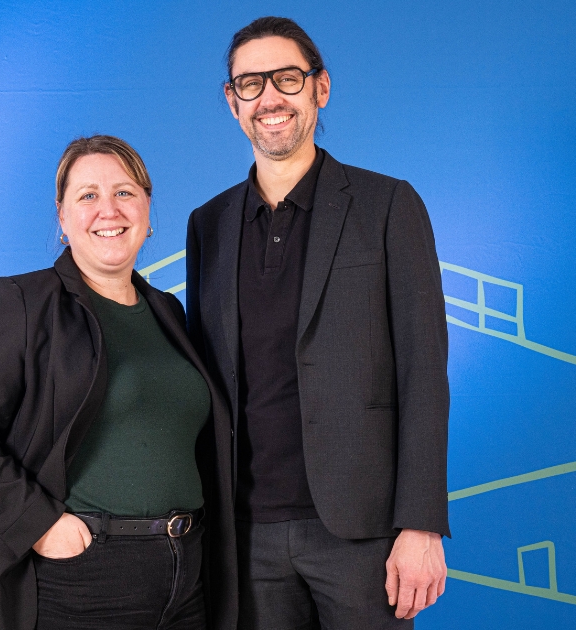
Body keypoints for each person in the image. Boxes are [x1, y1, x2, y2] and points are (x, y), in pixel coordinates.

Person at [185, 16, 450, 630]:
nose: (269, 98)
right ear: (232, 102)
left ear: (319, 88)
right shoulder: (210, 225)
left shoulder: (389, 205)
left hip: (362, 533)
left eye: (286, 78)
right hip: (243, 536)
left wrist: (421, 523)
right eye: (250, 84)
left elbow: (423, 372)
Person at [0, 135, 237, 630]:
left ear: (146, 206)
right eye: (88, 195)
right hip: (84, 577)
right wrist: (38, 524)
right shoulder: (22, 301)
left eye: (124, 192)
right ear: (62, 217)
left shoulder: (168, 311)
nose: (108, 210)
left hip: (187, 575)